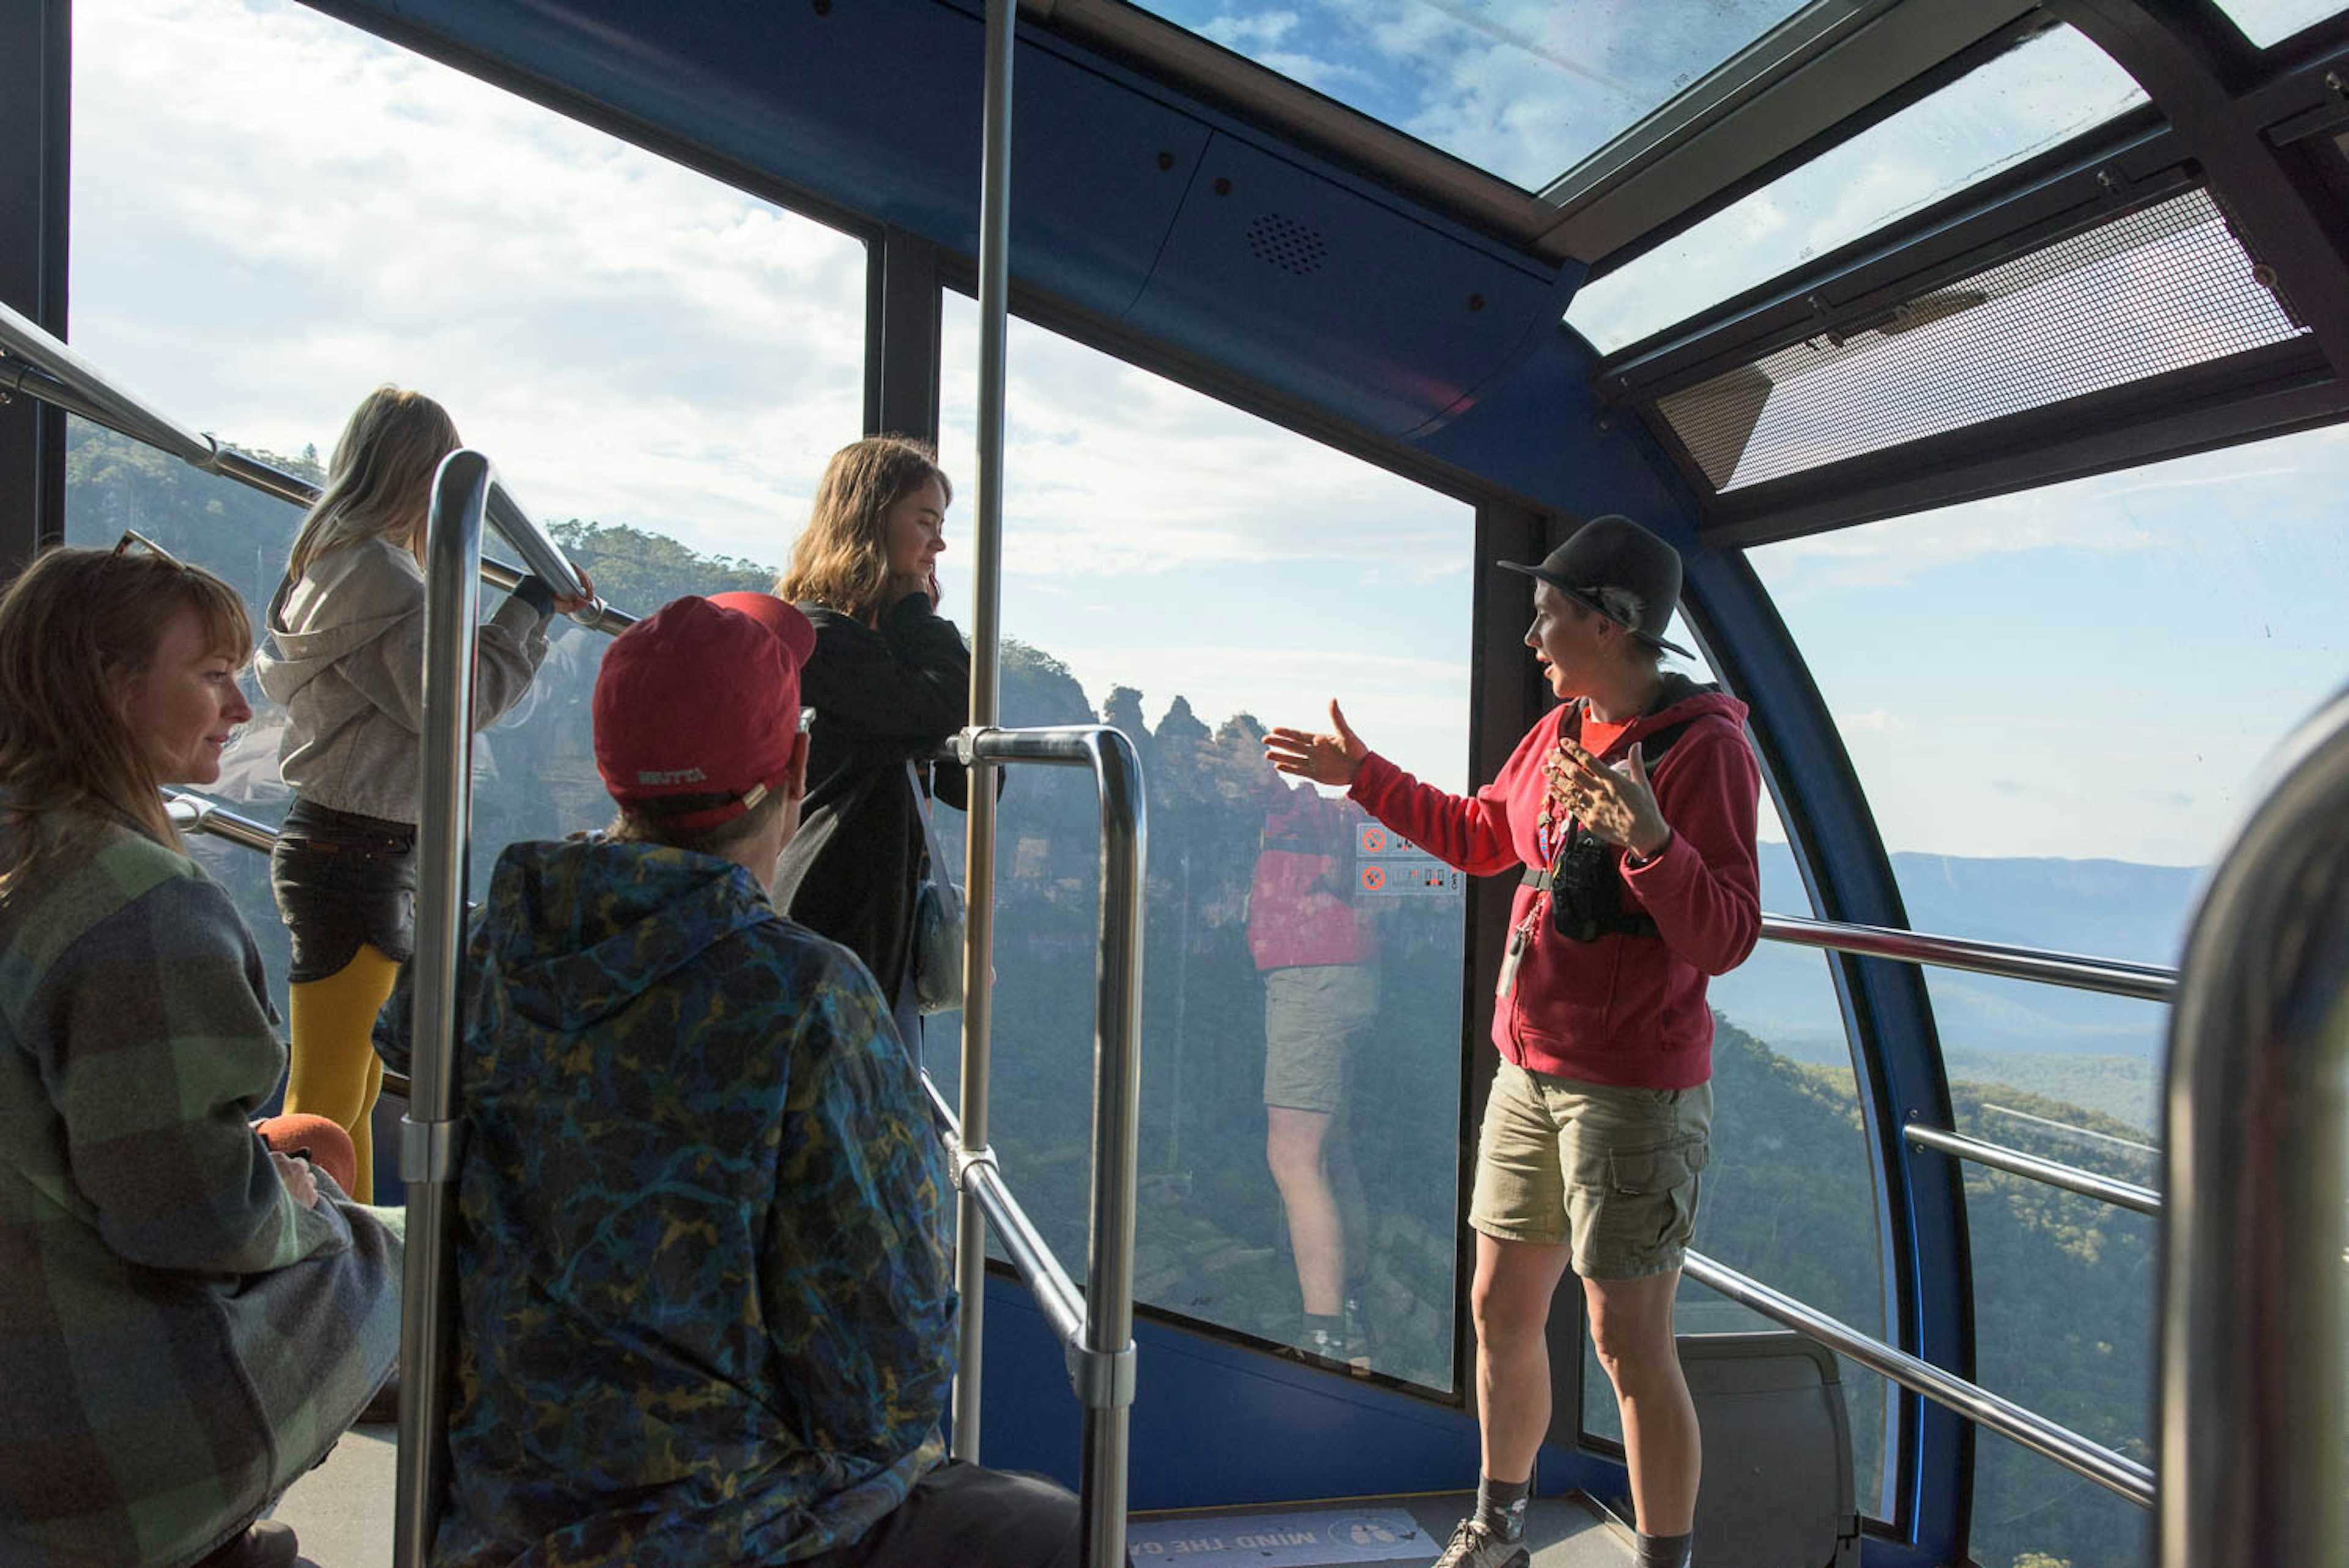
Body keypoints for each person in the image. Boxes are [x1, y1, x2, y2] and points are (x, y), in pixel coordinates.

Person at [375, 592, 1089, 1568]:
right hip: (724, 1528)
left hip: (503, 1509)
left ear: (608, 773)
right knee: (1053, 1527)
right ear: (794, 767)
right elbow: (888, 1388)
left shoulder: (478, 954)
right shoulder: (804, 996)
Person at [1266, 516, 1760, 1568]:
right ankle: (1497, 1529)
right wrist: (1364, 775)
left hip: (1630, 1090)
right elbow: (1486, 834)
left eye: (1547, 617)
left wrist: (1651, 842)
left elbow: (1725, 934)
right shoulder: (1566, 727)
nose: (1532, 638)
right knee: (1498, 1306)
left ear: (1609, 622)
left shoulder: (1705, 749)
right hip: (1529, 1069)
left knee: (1629, 1344)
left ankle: (1663, 1557)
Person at [0, 542, 403, 1568]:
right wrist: (297, 1200)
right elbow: (190, 1217)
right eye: (214, 673)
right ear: (112, 687)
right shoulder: (139, 907)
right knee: (392, 1258)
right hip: (78, 1448)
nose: (238, 705)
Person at [254, 385, 590, 1200]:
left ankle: (351, 1260)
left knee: (352, 1090)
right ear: (424, 473)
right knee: (328, 1099)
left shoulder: (337, 565)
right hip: (356, 854)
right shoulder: (376, 574)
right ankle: (309, 1275)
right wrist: (535, 601)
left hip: (349, 847)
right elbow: (455, 698)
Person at [769, 435, 975, 1057]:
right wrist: (917, 610)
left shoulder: (873, 649)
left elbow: (977, 780)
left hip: (879, 927)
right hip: (836, 920)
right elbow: (944, 710)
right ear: (872, 517)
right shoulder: (821, 639)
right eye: (926, 522)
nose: (938, 545)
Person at [1246, 757, 1378, 1364]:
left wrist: (1257, 768)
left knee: (1293, 1154)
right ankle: (1349, 1301)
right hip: (1350, 975)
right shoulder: (1338, 811)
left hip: (1307, 978)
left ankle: (1325, 1333)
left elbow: (1268, 790)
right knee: (1331, 1149)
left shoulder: (1294, 808)